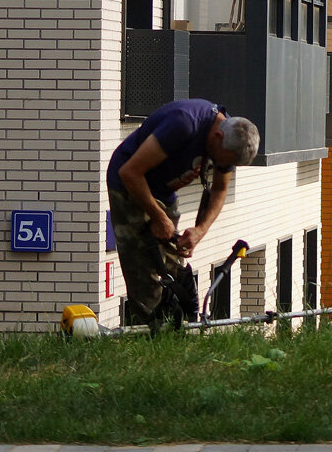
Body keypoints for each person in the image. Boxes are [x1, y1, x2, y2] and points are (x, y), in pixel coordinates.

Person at [107, 99, 260, 325]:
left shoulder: (231, 139)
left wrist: (200, 230)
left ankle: (177, 324)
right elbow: (130, 172)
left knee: (173, 268)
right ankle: (149, 333)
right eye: (220, 161)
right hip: (128, 186)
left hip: (164, 190)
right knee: (143, 271)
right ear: (217, 137)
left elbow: (219, 189)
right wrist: (159, 217)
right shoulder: (183, 124)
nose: (220, 165)